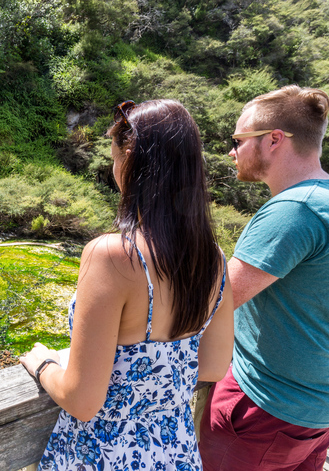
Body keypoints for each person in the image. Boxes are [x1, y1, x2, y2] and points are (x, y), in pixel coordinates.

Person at [21, 99, 234, 471]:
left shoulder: (112, 256)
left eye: (114, 155)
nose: (112, 167)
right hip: (174, 450)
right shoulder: (212, 258)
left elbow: (84, 400)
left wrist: (44, 366)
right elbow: (214, 365)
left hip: (105, 455)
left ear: (131, 159)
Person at [198, 86, 329, 471]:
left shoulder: (295, 209)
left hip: (267, 404)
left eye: (239, 140)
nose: (232, 150)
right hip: (322, 397)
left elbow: (212, 302)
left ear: (274, 140)